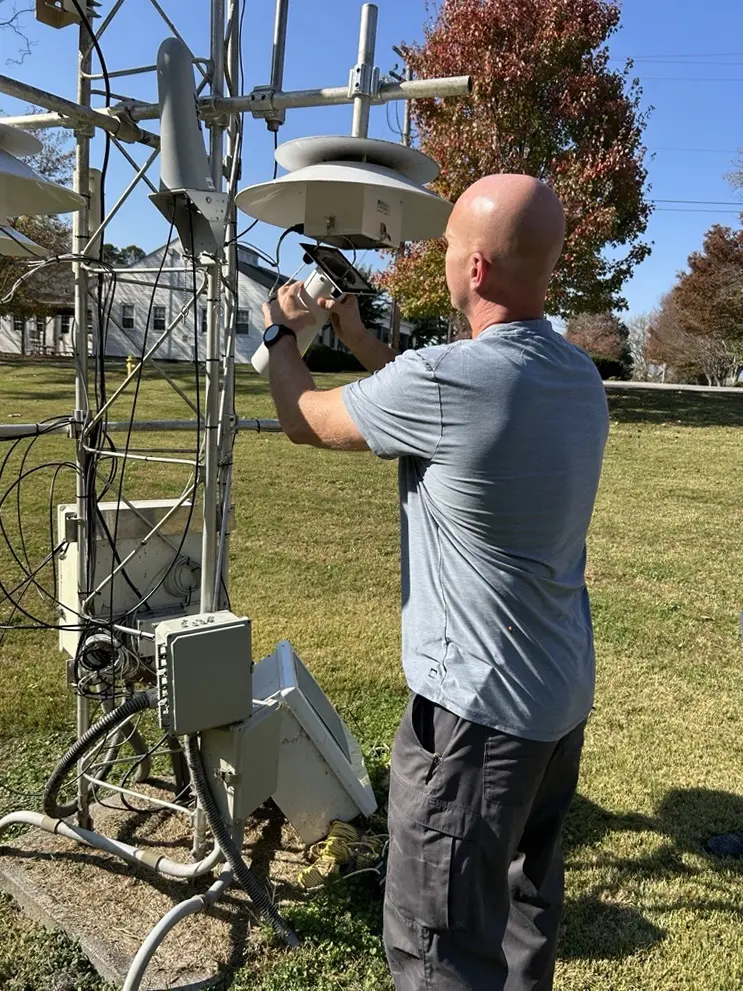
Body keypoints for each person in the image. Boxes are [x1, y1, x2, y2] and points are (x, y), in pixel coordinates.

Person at [261, 173, 609, 991]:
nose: (443, 257)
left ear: (475, 269)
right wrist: (355, 334)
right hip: (555, 703)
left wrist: (279, 333)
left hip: (474, 721)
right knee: (522, 914)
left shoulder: (448, 381)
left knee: (438, 946)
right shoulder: (576, 377)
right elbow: (439, 401)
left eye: (449, 245)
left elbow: (304, 420)